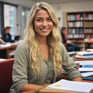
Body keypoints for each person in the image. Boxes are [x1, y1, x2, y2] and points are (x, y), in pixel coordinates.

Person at [9, 2, 82, 93]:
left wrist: (78, 86)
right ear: (32, 23)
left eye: (49, 19)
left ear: (53, 22)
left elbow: (72, 70)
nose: (44, 24)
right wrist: (50, 88)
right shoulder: (23, 47)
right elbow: (20, 84)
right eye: (39, 20)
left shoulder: (58, 46)